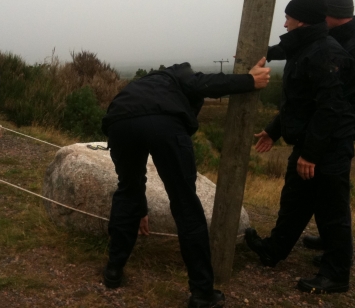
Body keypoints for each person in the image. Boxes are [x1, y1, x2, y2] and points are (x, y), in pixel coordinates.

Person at [101, 57, 271, 308]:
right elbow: (207, 84)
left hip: (119, 122)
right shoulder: (182, 74)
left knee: (128, 189)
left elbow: (135, 183)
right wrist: (250, 80)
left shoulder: (144, 83)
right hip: (165, 124)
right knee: (185, 205)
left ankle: (113, 271)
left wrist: (140, 207)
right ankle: (202, 293)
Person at [246, 0, 355, 294]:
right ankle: (274, 250)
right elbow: (299, 103)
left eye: (288, 18)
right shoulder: (306, 47)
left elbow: (330, 108)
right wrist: (273, 130)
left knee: (331, 211)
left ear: (302, 21)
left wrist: (311, 154)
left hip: (328, 147)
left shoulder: (325, 53)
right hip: (311, 142)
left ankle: (335, 276)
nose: (284, 24)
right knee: (295, 201)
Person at [302, 0, 355, 254]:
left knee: (334, 198)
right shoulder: (347, 40)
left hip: (340, 129)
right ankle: (330, 240)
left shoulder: (353, 48)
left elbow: (350, 97)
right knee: (326, 193)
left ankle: (336, 265)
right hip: (338, 127)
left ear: (331, 14)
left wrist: (341, 129)